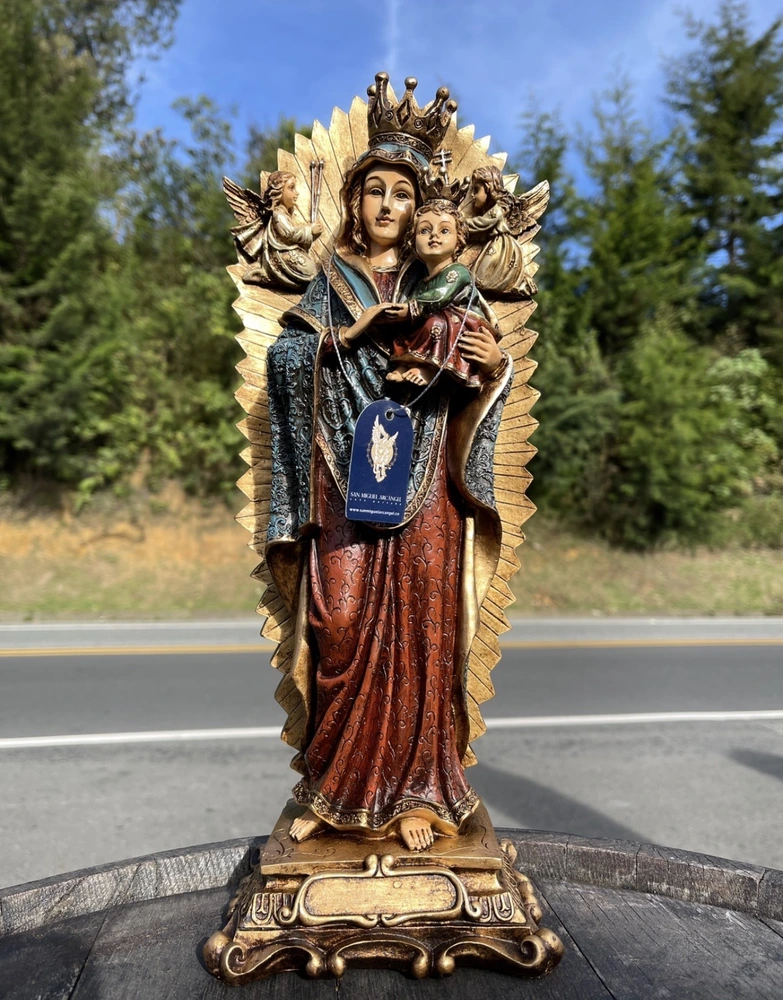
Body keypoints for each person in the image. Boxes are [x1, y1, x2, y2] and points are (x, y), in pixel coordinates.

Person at [265, 134, 512, 853]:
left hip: (426, 473)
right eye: (375, 190)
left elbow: (482, 360)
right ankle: (333, 788)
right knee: (338, 621)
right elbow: (284, 358)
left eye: (402, 194)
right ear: (354, 201)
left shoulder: (439, 279)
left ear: (422, 211)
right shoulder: (333, 280)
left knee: (421, 631)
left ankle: (417, 791)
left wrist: (494, 362)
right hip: (344, 475)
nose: (387, 205)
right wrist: (351, 333)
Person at [373, 199, 501, 389]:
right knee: (407, 328)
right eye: (424, 230)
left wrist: (410, 309)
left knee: (435, 322)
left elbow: (441, 296)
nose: (434, 235)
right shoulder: (421, 282)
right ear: (413, 242)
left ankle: (431, 368)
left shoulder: (458, 272)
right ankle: (406, 362)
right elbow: (417, 302)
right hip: (434, 315)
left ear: (458, 241)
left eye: (444, 230)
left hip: (463, 324)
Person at [237, 170, 323, 290]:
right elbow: (289, 234)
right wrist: (309, 230)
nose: (296, 193)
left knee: (315, 271)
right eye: (291, 188)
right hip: (283, 257)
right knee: (312, 274)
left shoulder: (285, 213)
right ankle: (267, 276)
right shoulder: (278, 214)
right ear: (279, 192)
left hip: (292, 252)